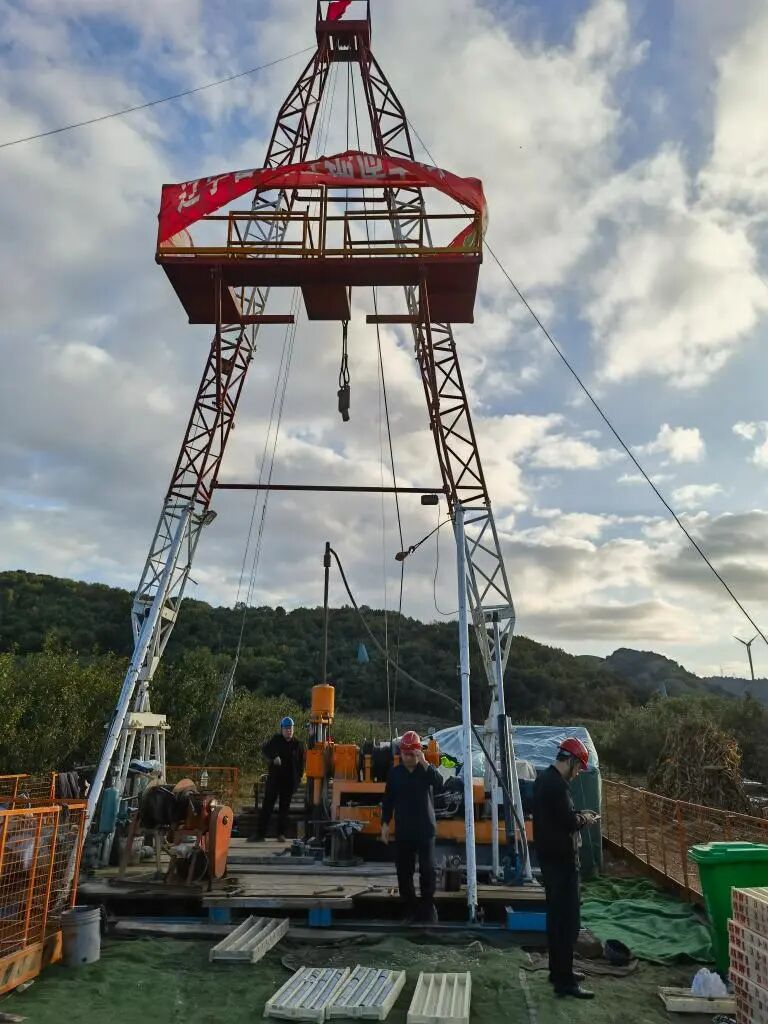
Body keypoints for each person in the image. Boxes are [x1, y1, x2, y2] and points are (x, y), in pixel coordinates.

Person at [532, 736, 600, 1000]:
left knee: (556, 920)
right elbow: (569, 822)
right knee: (567, 923)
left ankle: (558, 971)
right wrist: (585, 818)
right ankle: (565, 981)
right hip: (561, 864)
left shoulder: (544, 779)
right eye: (579, 767)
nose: (579, 772)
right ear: (570, 761)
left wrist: (577, 814)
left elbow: (559, 816)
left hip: (550, 861)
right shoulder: (557, 786)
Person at [380, 730, 445, 924]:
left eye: (411, 754)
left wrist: (424, 761)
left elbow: (440, 783)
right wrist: (385, 824)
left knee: (428, 870)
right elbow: (388, 800)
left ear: (418, 752)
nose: (408, 757)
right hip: (404, 830)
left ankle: (427, 909)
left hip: (425, 829)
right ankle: (409, 909)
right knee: (404, 872)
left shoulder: (425, 771)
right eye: (405, 754)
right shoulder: (395, 773)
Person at [251, 716, 305, 842]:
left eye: (290, 728)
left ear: (293, 729)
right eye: (286, 729)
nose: (288, 731)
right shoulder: (276, 740)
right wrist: (274, 756)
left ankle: (281, 834)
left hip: (288, 782)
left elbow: (301, 764)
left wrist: (298, 778)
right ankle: (260, 834)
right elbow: (265, 749)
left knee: (284, 809)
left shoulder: (298, 744)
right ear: (282, 729)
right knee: (267, 806)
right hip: (274, 780)